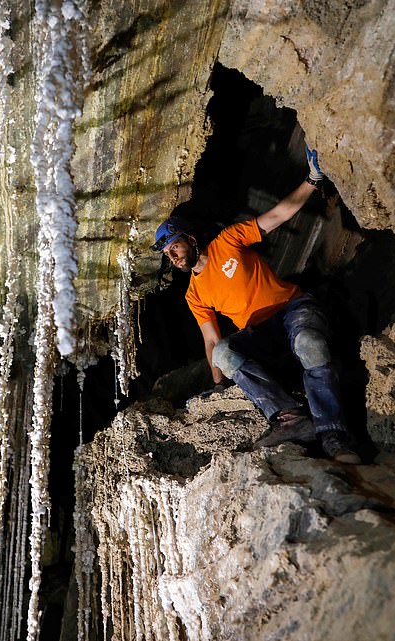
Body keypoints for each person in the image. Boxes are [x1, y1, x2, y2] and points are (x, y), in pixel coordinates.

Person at [152, 147, 360, 464]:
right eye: (168, 253)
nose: (173, 256)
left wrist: (312, 179)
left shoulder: (227, 241)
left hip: (292, 309)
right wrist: (219, 384)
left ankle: (334, 436)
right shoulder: (194, 293)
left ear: (190, 239)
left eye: (175, 246)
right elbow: (211, 340)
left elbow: (278, 215)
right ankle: (290, 418)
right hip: (260, 334)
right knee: (223, 353)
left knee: (310, 344)